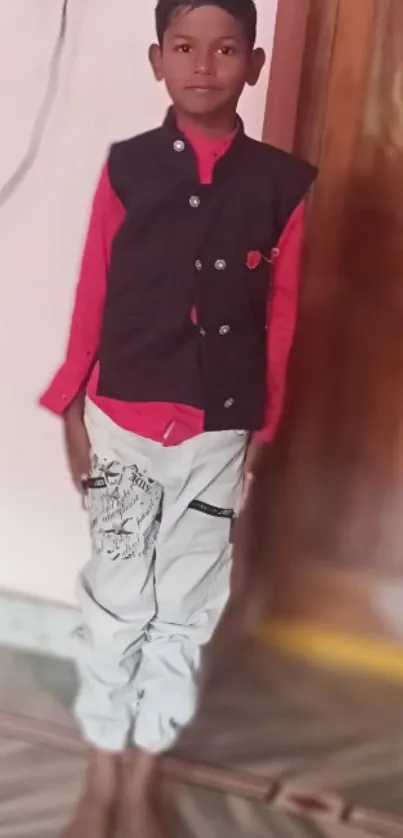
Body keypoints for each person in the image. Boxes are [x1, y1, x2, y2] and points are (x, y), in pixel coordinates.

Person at [40, 1, 316, 835]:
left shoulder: (281, 183)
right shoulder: (127, 167)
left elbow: (283, 314)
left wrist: (260, 433)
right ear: (155, 59)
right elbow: (94, 288)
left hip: (217, 433)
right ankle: (100, 765)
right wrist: (70, 406)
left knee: (183, 609)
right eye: (185, 48)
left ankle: (144, 769)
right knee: (117, 598)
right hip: (121, 419)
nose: (204, 65)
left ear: (255, 65)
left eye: (225, 49)